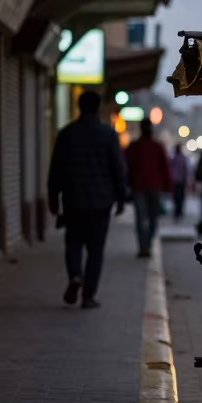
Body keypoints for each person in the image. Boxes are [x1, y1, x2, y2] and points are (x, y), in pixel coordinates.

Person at [47, 89, 127, 309]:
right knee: (95, 250)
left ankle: (75, 275)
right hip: (101, 202)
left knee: (73, 242)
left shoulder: (66, 134)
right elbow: (117, 169)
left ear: (79, 107)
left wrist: (53, 199)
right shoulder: (108, 135)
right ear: (99, 108)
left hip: (73, 200)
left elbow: (55, 170)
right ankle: (89, 296)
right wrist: (121, 199)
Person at [125, 119, 172, 257]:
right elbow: (165, 168)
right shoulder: (157, 146)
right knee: (152, 218)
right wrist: (167, 186)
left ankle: (143, 246)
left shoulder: (134, 146)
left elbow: (127, 167)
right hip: (154, 187)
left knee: (141, 219)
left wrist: (127, 185)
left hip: (138, 187)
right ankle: (147, 243)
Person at [170, 144, 189, 221]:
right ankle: (179, 211)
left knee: (177, 197)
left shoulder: (174, 158)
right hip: (180, 181)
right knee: (180, 197)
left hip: (176, 181)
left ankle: (178, 211)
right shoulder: (181, 158)